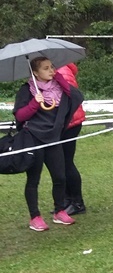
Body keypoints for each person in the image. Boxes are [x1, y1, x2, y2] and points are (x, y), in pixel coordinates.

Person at [14, 57, 84, 231]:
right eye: (46, 68)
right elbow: (20, 116)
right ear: (35, 73)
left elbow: (76, 96)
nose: (51, 70)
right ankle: (35, 217)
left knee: (60, 176)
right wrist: (34, 103)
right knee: (33, 179)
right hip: (34, 139)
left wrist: (59, 78)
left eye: (52, 67)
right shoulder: (27, 90)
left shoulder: (58, 87)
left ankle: (59, 211)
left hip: (53, 138)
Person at [56, 63, 87, 215]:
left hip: (70, 123)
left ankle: (77, 202)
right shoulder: (58, 70)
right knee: (61, 163)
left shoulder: (62, 71)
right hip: (63, 123)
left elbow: (70, 98)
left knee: (67, 163)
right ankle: (67, 200)